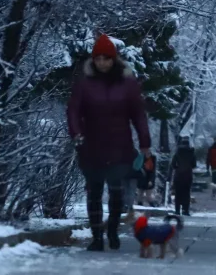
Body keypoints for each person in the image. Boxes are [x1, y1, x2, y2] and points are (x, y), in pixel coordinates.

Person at [67, 34, 151, 252]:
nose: (102, 62)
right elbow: (73, 111)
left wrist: (145, 142)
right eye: (98, 58)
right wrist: (76, 133)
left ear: (114, 59)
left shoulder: (128, 84)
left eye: (106, 58)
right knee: (94, 191)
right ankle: (97, 237)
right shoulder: (85, 84)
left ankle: (112, 229)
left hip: (119, 145)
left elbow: (138, 115)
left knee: (115, 191)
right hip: (91, 144)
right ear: (93, 60)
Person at [171, 136, 196, 215]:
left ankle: (177, 210)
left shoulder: (177, 153)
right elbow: (194, 165)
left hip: (178, 176)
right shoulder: (192, 153)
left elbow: (173, 164)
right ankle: (185, 210)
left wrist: (178, 168)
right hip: (188, 175)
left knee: (178, 193)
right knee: (187, 193)